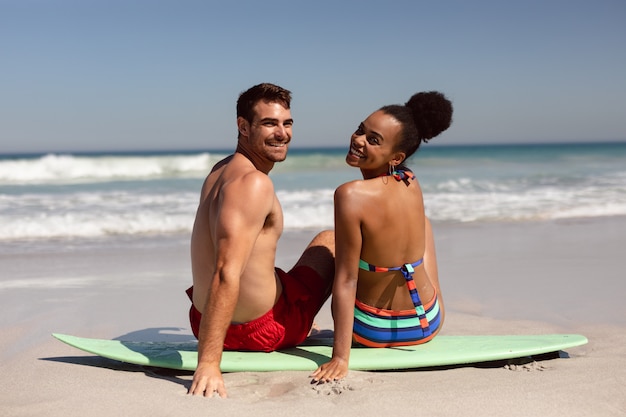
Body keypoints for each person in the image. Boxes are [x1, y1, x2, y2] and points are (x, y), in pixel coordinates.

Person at [187, 83, 335, 397]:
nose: (282, 133)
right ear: (243, 127)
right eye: (269, 123)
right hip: (260, 331)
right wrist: (209, 363)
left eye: (287, 123)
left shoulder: (220, 171)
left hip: (202, 320)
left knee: (271, 268)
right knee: (332, 240)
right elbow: (227, 271)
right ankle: (372, 329)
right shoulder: (254, 183)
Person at [311, 91, 453, 382]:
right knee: (422, 223)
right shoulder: (410, 180)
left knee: (330, 244)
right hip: (428, 321)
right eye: (361, 129)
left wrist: (340, 357)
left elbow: (347, 279)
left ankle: (300, 322)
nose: (358, 139)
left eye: (373, 140)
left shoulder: (350, 194)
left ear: (396, 156)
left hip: (371, 332)